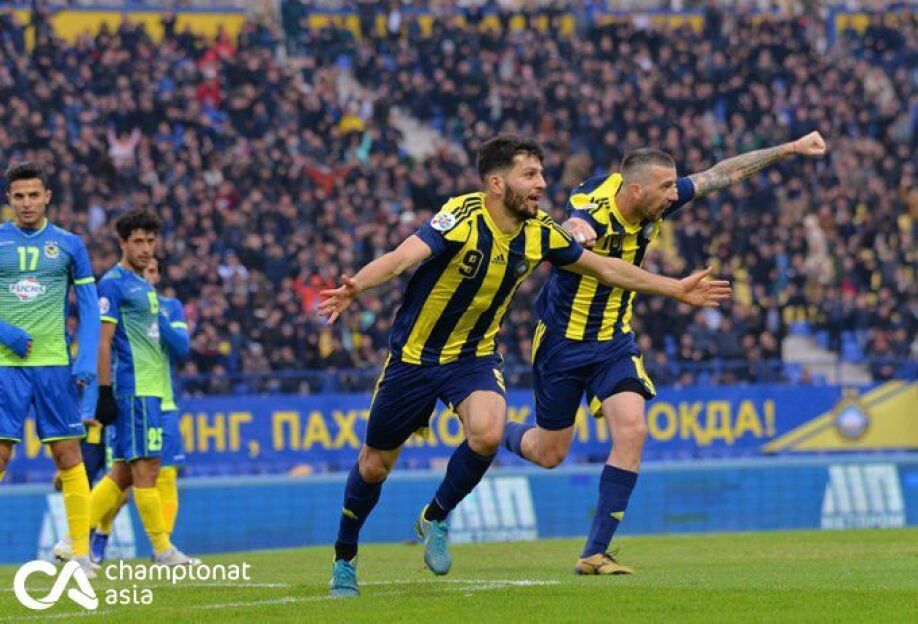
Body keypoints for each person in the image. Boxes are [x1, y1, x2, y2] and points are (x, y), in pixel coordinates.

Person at [319, 135, 731, 597]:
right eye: (530, 175)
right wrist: (357, 287)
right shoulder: (462, 217)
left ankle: (435, 516)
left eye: (541, 173)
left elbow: (606, 268)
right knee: (375, 466)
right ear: (497, 184)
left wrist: (674, 287)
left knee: (488, 432)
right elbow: (400, 259)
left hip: (473, 356)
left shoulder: (540, 232)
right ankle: (345, 556)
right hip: (414, 359)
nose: (542, 184)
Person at [501, 132, 828, 575]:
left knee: (633, 430)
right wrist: (576, 230)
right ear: (636, 190)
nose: (674, 195)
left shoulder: (654, 202)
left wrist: (788, 148)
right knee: (548, 452)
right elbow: (577, 222)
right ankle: (493, 430)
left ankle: (594, 553)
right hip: (563, 343)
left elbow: (720, 174)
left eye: (674, 186)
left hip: (613, 341)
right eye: (667, 187)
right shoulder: (594, 211)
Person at [0, 161, 100, 577]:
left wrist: (86, 359)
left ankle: (81, 554)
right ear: (9, 198)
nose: (26, 203)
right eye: (19, 196)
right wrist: (4, 332)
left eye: (33, 195)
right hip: (4, 365)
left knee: (68, 453)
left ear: (47, 197)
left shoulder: (69, 245)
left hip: (55, 365)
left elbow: (90, 309)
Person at [87, 210, 194, 566]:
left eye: (150, 241)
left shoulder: (147, 290)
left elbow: (180, 347)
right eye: (138, 241)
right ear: (122, 243)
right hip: (134, 389)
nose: (146, 248)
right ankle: (162, 550)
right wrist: (104, 392)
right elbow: (102, 341)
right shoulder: (113, 283)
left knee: (123, 473)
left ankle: (74, 538)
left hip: (152, 392)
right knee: (146, 470)